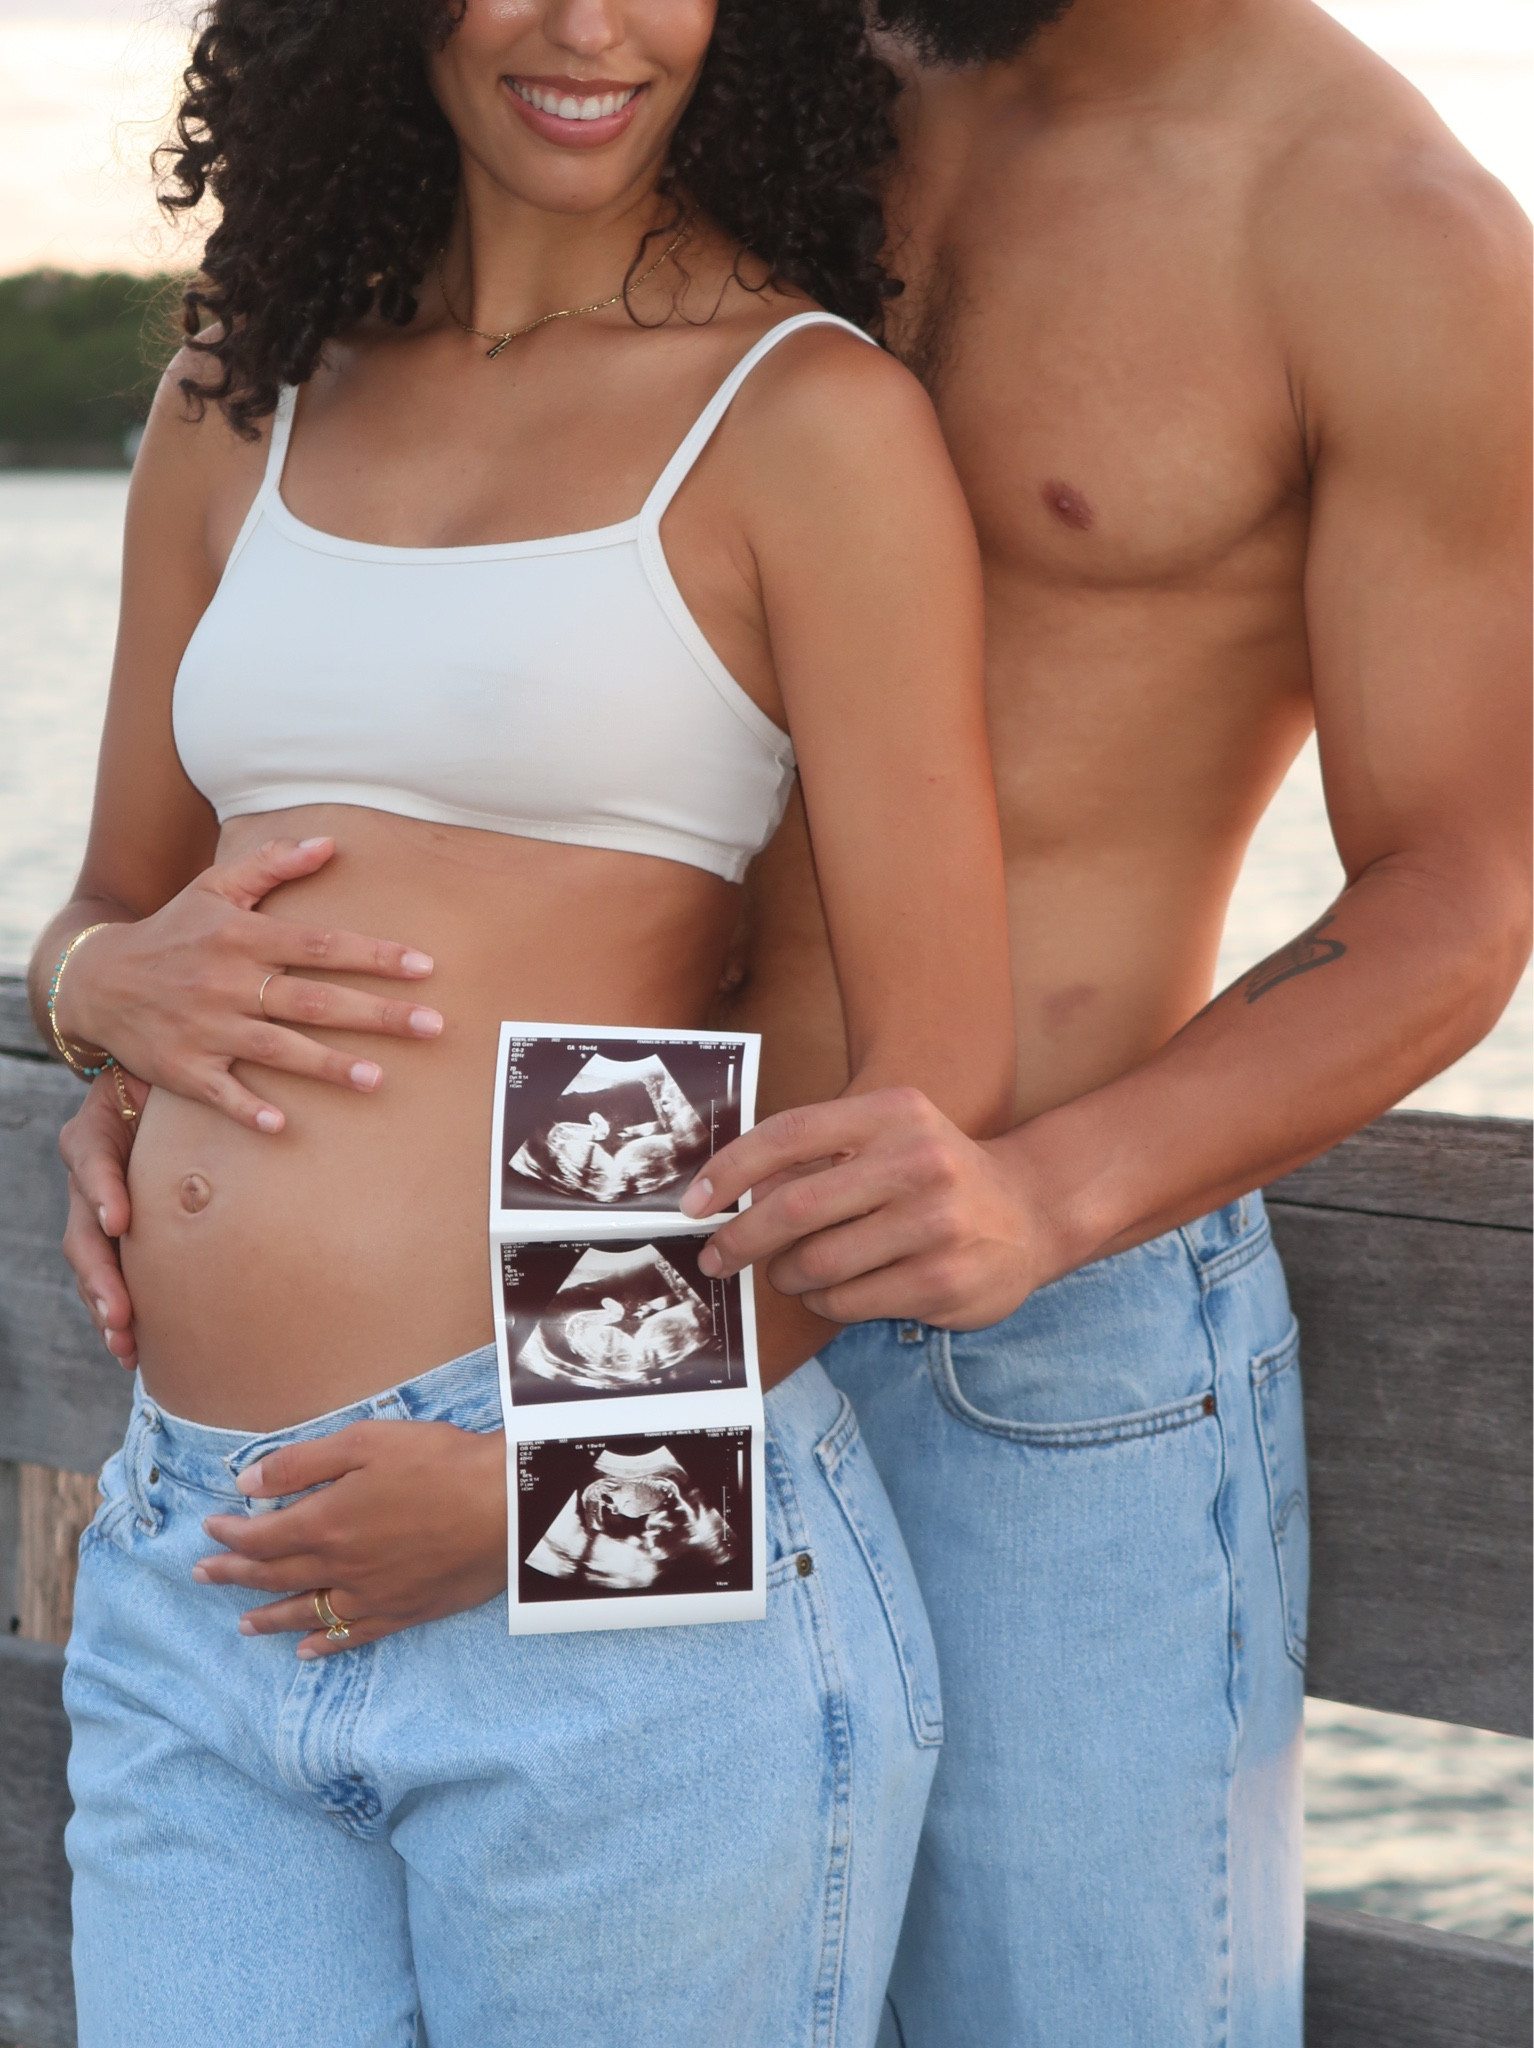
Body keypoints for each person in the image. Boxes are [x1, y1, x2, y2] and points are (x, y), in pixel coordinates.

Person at [56, 0, 1532, 2039]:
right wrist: (142, 1023)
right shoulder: (759, 71)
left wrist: (1034, 1197)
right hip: (604, 1280)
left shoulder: (1372, 220)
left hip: (1032, 1324)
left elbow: (1460, 896)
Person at [28, 2, 1015, 2043]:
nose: (587, 23)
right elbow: (117, 904)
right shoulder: (240, 391)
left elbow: (923, 1087)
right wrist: (92, 995)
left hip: (597, 1529)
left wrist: (537, 1489)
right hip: (201, 1548)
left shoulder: (803, 414)